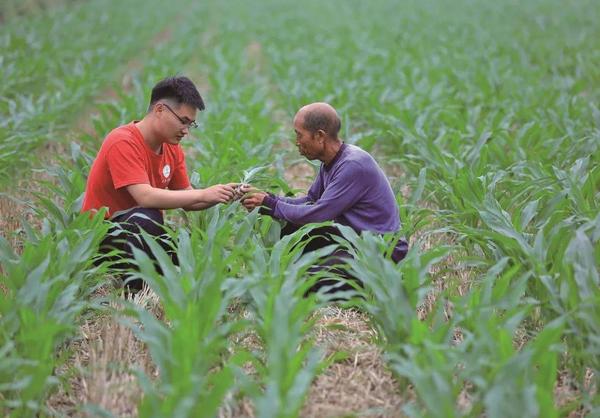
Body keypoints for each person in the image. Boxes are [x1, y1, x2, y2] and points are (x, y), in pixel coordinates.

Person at [82, 76, 245, 290]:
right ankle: (136, 291)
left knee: (197, 258)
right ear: (160, 110)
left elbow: (187, 199)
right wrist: (204, 193)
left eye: (191, 124)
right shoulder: (122, 141)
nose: (186, 130)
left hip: (143, 233)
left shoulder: (171, 148)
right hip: (106, 241)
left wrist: (224, 194)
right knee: (145, 217)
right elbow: (145, 197)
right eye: (183, 121)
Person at [242, 102, 408, 292]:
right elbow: (310, 201)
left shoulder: (353, 165)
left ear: (320, 136)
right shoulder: (331, 161)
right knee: (286, 233)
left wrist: (271, 204)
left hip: (380, 253)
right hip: (354, 241)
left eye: (299, 134)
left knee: (299, 281)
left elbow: (319, 214)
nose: (296, 141)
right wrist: (267, 199)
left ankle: (376, 285)